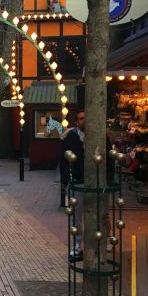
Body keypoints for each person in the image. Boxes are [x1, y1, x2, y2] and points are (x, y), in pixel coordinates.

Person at [59, 111, 85, 260]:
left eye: (86, 118)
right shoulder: (70, 137)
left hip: (95, 181)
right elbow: (63, 159)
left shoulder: (98, 135)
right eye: (81, 118)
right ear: (76, 121)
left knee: (100, 215)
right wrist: (65, 180)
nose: (84, 121)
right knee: (76, 217)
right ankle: (77, 245)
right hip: (77, 181)